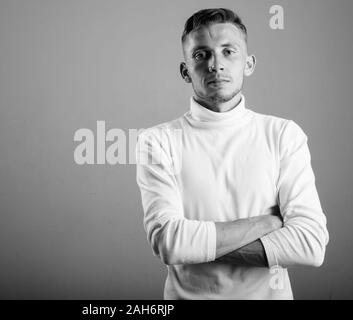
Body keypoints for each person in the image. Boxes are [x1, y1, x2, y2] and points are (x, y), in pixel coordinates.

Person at [135, 8, 329, 299]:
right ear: (185, 70)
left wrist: (198, 246)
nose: (216, 64)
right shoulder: (158, 141)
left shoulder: (283, 135)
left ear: (248, 64)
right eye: (202, 54)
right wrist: (266, 223)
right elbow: (169, 243)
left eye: (229, 51)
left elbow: (310, 245)